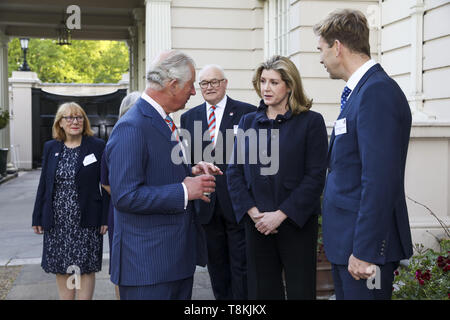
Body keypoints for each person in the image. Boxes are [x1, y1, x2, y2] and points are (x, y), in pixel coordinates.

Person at [105, 50, 222, 300]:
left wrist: (189, 171)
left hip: (172, 262)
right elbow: (125, 196)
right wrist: (184, 190)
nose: (194, 92)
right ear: (172, 85)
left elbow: (152, 169)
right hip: (148, 268)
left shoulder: (159, 120)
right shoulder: (132, 126)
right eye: (190, 86)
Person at [314, 9, 413, 300]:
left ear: (337, 47)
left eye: (321, 50)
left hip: (364, 253)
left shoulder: (376, 93)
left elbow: (380, 179)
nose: (320, 59)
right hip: (348, 246)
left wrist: (366, 251)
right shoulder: (359, 92)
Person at [227, 55, 328, 299]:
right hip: (257, 224)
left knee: (300, 292)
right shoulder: (247, 121)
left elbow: (315, 177)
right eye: (263, 81)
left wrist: (280, 215)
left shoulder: (311, 122)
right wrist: (254, 213)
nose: (266, 88)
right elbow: (234, 172)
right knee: (261, 293)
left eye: (274, 82)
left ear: (290, 85)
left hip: (296, 225)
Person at [180, 64, 256, 300]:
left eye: (214, 82)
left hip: (237, 202)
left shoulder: (247, 113)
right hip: (207, 203)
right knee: (216, 267)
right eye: (204, 83)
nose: (209, 87)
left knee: (241, 267)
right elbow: (188, 160)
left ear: (225, 83)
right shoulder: (188, 117)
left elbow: (253, 160)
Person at [32, 102, 109, 300]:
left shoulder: (97, 146)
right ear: (60, 123)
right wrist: (37, 217)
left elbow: (107, 184)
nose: (75, 121)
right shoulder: (51, 147)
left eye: (79, 117)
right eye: (69, 118)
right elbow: (44, 185)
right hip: (57, 221)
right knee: (63, 267)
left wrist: (105, 217)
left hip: (87, 219)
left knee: (84, 268)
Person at [100, 91, 141, 299]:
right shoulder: (115, 139)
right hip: (121, 213)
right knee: (121, 268)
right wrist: (130, 196)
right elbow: (105, 182)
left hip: (146, 213)